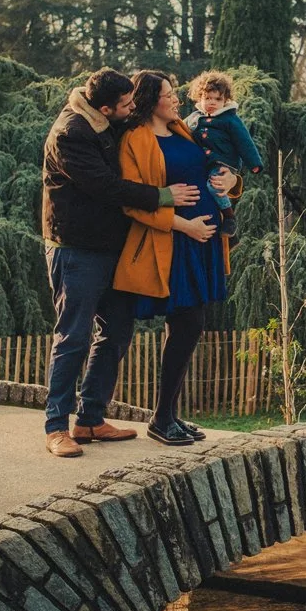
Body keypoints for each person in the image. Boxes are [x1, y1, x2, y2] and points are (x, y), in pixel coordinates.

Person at [41, 68, 199, 458]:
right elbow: (107, 187)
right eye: (126, 105)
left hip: (112, 247)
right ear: (105, 107)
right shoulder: (71, 133)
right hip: (76, 248)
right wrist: (163, 196)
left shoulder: (108, 121)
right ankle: (56, 427)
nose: (132, 110)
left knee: (116, 331)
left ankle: (91, 419)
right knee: (73, 336)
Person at [114, 71, 238, 446]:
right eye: (169, 94)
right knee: (188, 324)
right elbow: (132, 201)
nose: (176, 100)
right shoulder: (135, 139)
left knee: (189, 326)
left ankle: (168, 416)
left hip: (203, 244)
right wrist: (184, 226)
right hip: (173, 245)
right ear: (151, 99)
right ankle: (161, 417)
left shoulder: (184, 130)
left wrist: (233, 181)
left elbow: (216, 168)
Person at [183, 70, 264, 238]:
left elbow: (245, 142)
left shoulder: (230, 119)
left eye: (217, 99)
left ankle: (229, 216)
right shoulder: (195, 117)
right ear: (200, 98)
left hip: (223, 162)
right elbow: (181, 127)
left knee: (214, 186)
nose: (212, 102)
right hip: (205, 162)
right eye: (208, 98)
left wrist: (254, 164)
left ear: (225, 100)